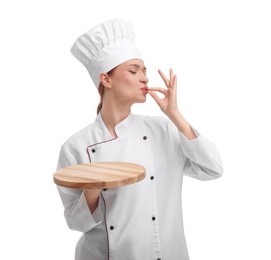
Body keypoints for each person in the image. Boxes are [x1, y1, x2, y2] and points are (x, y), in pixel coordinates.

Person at [56, 18, 223, 260]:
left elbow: (213, 168)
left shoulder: (163, 130)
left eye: (144, 71)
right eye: (133, 71)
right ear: (106, 80)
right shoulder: (77, 146)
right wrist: (92, 187)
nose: (144, 78)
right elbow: (76, 223)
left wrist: (175, 114)